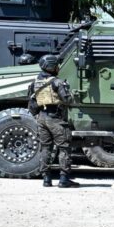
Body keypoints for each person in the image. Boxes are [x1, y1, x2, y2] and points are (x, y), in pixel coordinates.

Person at [28, 54, 79, 188]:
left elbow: (31, 106)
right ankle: (64, 179)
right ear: (52, 67)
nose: (58, 67)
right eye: (57, 65)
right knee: (64, 148)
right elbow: (68, 100)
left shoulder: (34, 83)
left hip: (41, 118)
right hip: (55, 118)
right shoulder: (57, 82)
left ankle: (46, 179)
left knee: (45, 148)